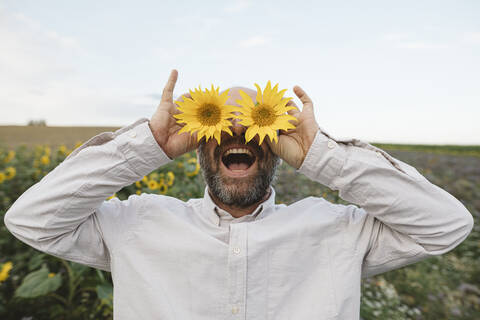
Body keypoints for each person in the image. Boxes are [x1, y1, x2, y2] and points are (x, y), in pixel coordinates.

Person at [4, 69, 474, 319]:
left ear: (277, 151)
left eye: (256, 127)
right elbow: (31, 220)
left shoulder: (336, 229)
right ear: (196, 150)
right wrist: (149, 145)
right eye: (217, 128)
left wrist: (321, 154)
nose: (240, 137)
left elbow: (446, 225)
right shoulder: (136, 225)